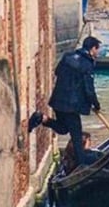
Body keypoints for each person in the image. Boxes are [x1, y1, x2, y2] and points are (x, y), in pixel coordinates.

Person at [29, 36, 102, 165]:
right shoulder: (88, 64)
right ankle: (81, 165)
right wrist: (96, 105)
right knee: (77, 135)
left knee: (63, 129)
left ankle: (41, 118)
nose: (98, 52)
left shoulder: (67, 56)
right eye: (98, 49)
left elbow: (57, 72)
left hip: (58, 101)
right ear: (92, 49)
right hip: (71, 106)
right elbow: (89, 88)